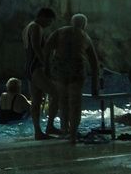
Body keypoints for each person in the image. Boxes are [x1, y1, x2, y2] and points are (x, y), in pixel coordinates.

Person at [42, 13, 99, 143]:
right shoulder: (85, 37)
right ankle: (73, 134)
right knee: (75, 103)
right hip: (77, 70)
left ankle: (64, 131)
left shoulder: (59, 32)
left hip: (60, 70)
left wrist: (46, 68)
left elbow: (47, 48)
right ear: (84, 25)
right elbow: (94, 63)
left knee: (63, 101)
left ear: (72, 22)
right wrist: (95, 86)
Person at [23, 7, 57, 139]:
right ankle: (50, 126)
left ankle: (38, 131)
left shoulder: (28, 27)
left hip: (29, 67)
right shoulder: (36, 27)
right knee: (56, 94)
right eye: (49, 21)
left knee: (36, 100)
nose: (49, 24)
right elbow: (36, 47)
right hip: (36, 67)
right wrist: (46, 65)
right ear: (43, 16)